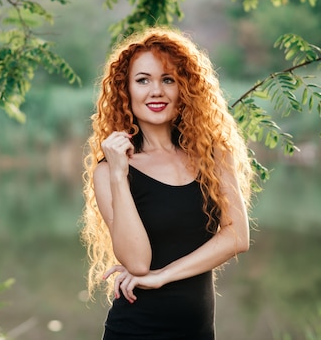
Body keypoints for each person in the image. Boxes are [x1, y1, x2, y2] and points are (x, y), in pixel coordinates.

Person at [80, 26, 253, 339]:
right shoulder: (109, 172)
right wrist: (120, 173)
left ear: (184, 88)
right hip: (134, 329)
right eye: (143, 80)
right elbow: (137, 262)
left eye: (167, 79)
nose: (156, 91)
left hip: (197, 331)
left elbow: (237, 237)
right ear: (126, 90)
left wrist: (164, 276)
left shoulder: (213, 154)